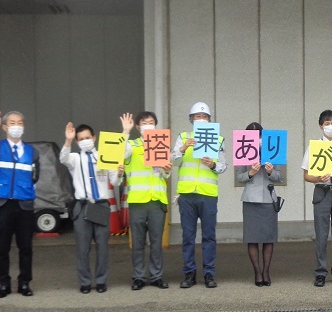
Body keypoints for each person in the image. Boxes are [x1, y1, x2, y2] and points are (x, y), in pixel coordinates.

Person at [0, 109, 40, 299]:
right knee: (2, 247)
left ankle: (24, 282)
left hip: (24, 205)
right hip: (3, 204)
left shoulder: (32, 151)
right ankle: (4, 283)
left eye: (20, 123)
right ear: (4, 127)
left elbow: (36, 176)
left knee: (26, 247)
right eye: (12, 123)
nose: (16, 126)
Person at [60, 123, 120, 294]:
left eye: (88, 138)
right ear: (77, 142)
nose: (85, 141)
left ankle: (101, 280)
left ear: (94, 138)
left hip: (101, 206)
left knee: (102, 247)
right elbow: (62, 158)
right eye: (81, 139)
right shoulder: (75, 159)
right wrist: (68, 140)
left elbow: (114, 181)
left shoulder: (103, 156)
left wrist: (120, 172)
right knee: (82, 248)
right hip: (82, 206)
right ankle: (85, 282)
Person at [173, 101, 226, 288]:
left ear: (209, 120)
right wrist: (183, 148)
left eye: (204, 117)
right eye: (198, 116)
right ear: (191, 119)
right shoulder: (183, 137)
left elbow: (223, 166)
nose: (201, 119)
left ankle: (209, 274)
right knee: (188, 236)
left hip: (208, 194)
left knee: (209, 236)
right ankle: (189, 274)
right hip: (187, 194)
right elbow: (173, 161)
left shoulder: (217, 139)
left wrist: (212, 164)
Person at [121, 111, 172, 290]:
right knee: (138, 242)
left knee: (157, 243)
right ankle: (139, 277)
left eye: (151, 122)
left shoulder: (161, 145)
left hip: (157, 200)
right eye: (144, 123)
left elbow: (166, 173)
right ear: (138, 127)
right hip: (137, 201)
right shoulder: (132, 145)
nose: (148, 125)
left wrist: (167, 168)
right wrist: (125, 132)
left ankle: (157, 275)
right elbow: (120, 152)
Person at [302, 109, 332, 288]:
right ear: (320, 126)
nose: (330, 126)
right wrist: (318, 178)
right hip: (321, 191)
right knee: (321, 235)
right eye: (326, 123)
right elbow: (306, 175)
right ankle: (320, 273)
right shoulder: (314, 147)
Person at [236, 122, 282, 287]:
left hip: (268, 199)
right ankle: (257, 272)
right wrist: (251, 172)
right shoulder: (243, 149)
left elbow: (279, 176)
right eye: (252, 135)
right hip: (250, 199)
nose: (257, 138)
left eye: (259, 135)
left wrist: (270, 171)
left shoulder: (271, 149)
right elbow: (239, 177)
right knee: (252, 238)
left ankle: (266, 272)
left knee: (268, 238)